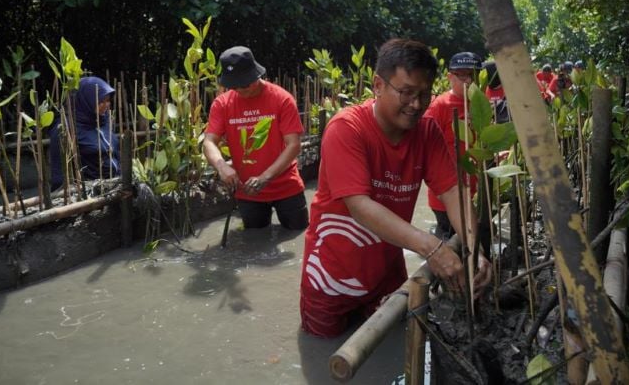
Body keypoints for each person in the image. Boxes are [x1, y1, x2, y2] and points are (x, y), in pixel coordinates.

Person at [299, 39, 491, 338]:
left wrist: (473, 247)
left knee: (392, 341)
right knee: (322, 346)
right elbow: (359, 206)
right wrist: (432, 247)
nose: (416, 104)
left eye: (424, 94)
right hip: (331, 275)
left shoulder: (427, 131)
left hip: (387, 272)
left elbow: (453, 191)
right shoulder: (346, 128)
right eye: (406, 92)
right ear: (378, 85)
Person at [203, 46, 308, 230]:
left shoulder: (282, 99)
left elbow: (294, 145)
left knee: (298, 232)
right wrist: (222, 167)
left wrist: (264, 177)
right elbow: (209, 142)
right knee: (254, 237)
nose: (240, 90)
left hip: (286, 185)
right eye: (234, 86)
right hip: (248, 190)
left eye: (244, 84)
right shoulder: (222, 104)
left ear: (256, 75)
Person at [422, 51, 482, 238]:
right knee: (451, 239)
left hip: (474, 190)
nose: (468, 81)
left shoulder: (481, 104)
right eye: (462, 75)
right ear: (450, 77)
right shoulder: (439, 106)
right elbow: (424, 146)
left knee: (475, 237)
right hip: (447, 194)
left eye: (472, 75)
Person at [49, 76, 120, 190]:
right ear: (86, 101)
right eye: (100, 101)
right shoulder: (65, 128)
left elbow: (115, 155)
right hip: (89, 191)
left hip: (115, 185)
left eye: (108, 100)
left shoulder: (102, 120)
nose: (106, 105)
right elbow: (59, 175)